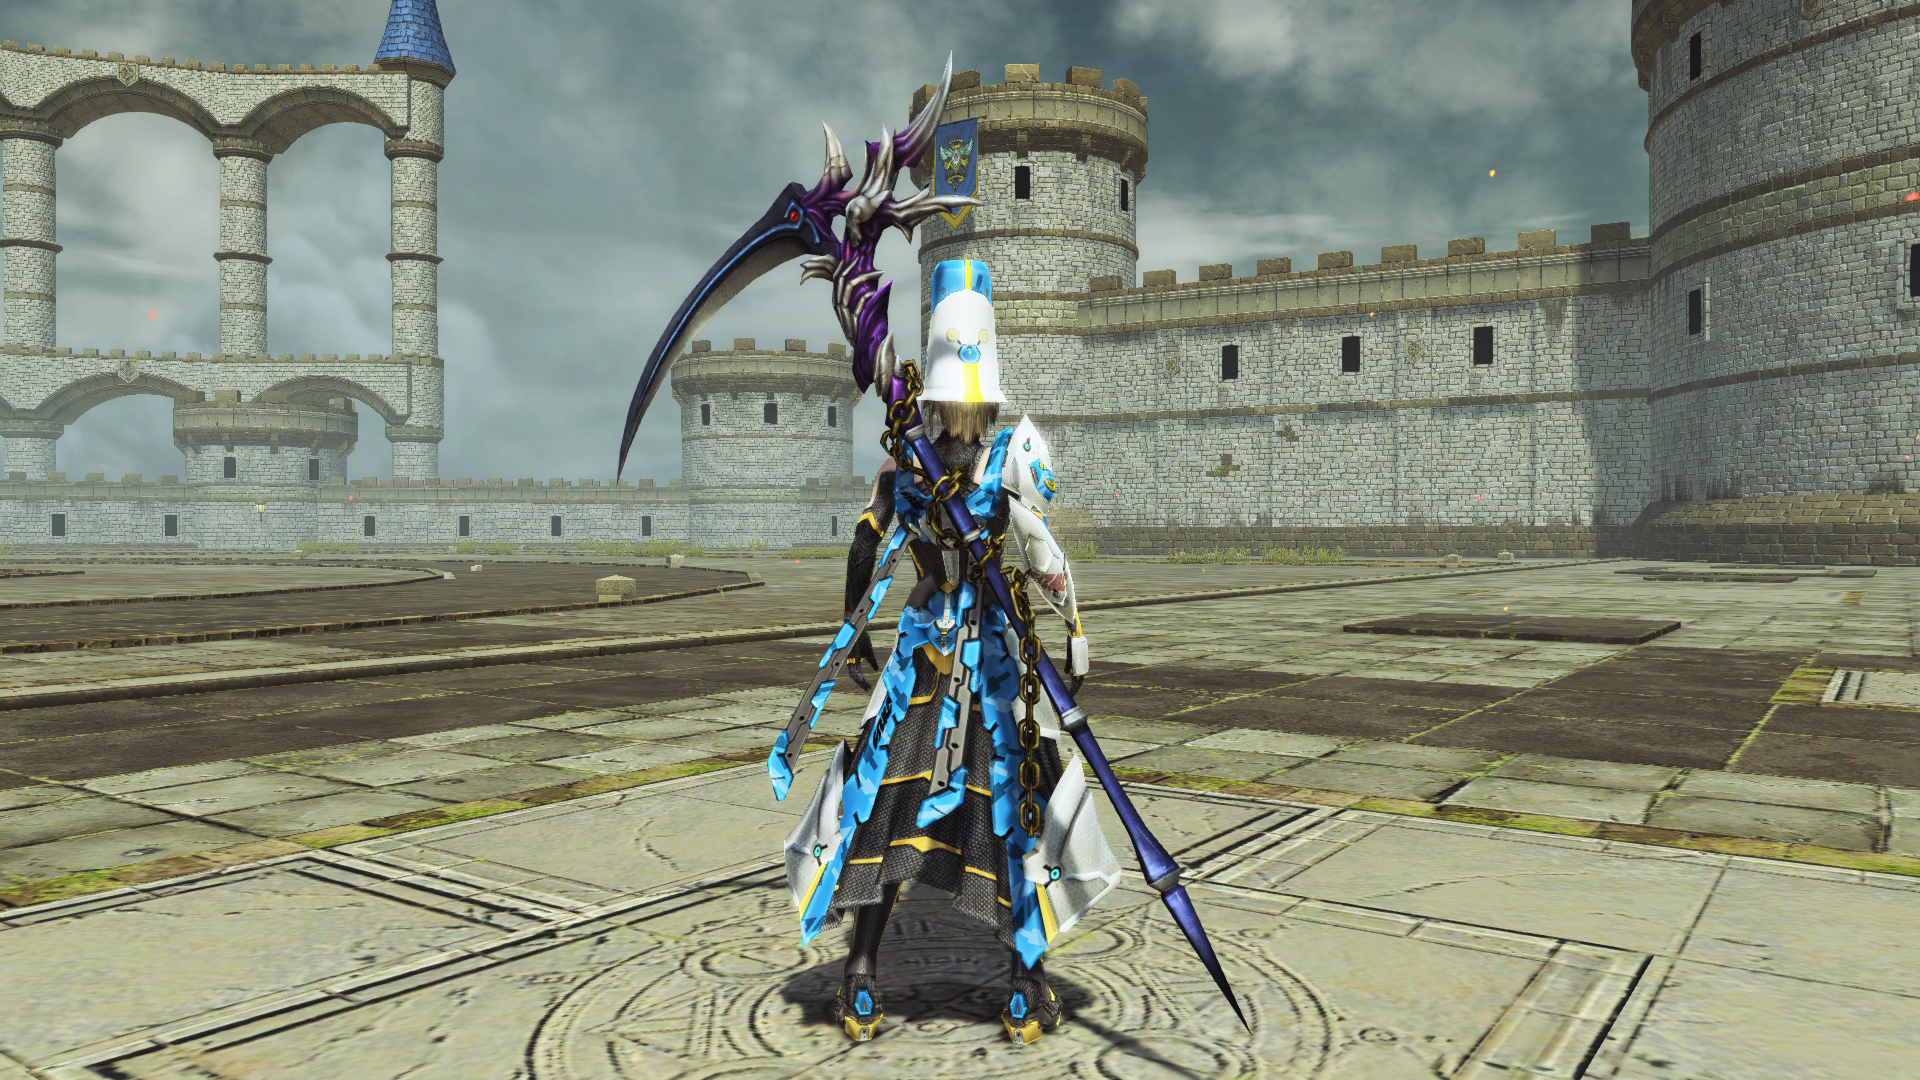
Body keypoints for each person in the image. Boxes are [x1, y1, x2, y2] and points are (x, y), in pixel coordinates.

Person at [783, 258, 1119, 1046]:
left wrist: (859, 638)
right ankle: (953, 977)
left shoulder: (935, 464)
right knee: (933, 804)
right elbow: (1037, 558)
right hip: (953, 657)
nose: (965, 411)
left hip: (961, 655)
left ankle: (948, 976)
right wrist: (1074, 633)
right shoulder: (952, 464)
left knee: (974, 804)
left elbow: (879, 549)